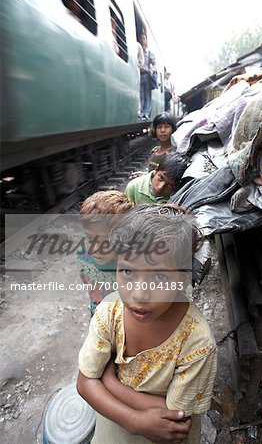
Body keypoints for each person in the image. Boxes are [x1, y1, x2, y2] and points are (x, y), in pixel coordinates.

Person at [77, 203, 217, 444]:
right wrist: (133, 420)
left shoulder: (197, 342)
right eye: (128, 272)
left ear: (182, 279)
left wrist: (109, 381)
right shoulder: (109, 313)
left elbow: (176, 418)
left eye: (160, 276)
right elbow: (84, 382)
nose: (139, 294)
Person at [77, 190, 133, 316]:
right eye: (90, 238)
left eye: (107, 241)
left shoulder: (135, 266)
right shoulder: (82, 257)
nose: (96, 249)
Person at [139, 32, 156, 120]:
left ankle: (146, 113)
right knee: (141, 95)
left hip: (147, 76)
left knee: (147, 96)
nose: (142, 40)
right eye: (141, 38)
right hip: (140, 74)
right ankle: (142, 112)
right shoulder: (139, 50)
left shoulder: (150, 53)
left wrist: (151, 69)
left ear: (146, 40)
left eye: (144, 38)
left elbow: (154, 63)